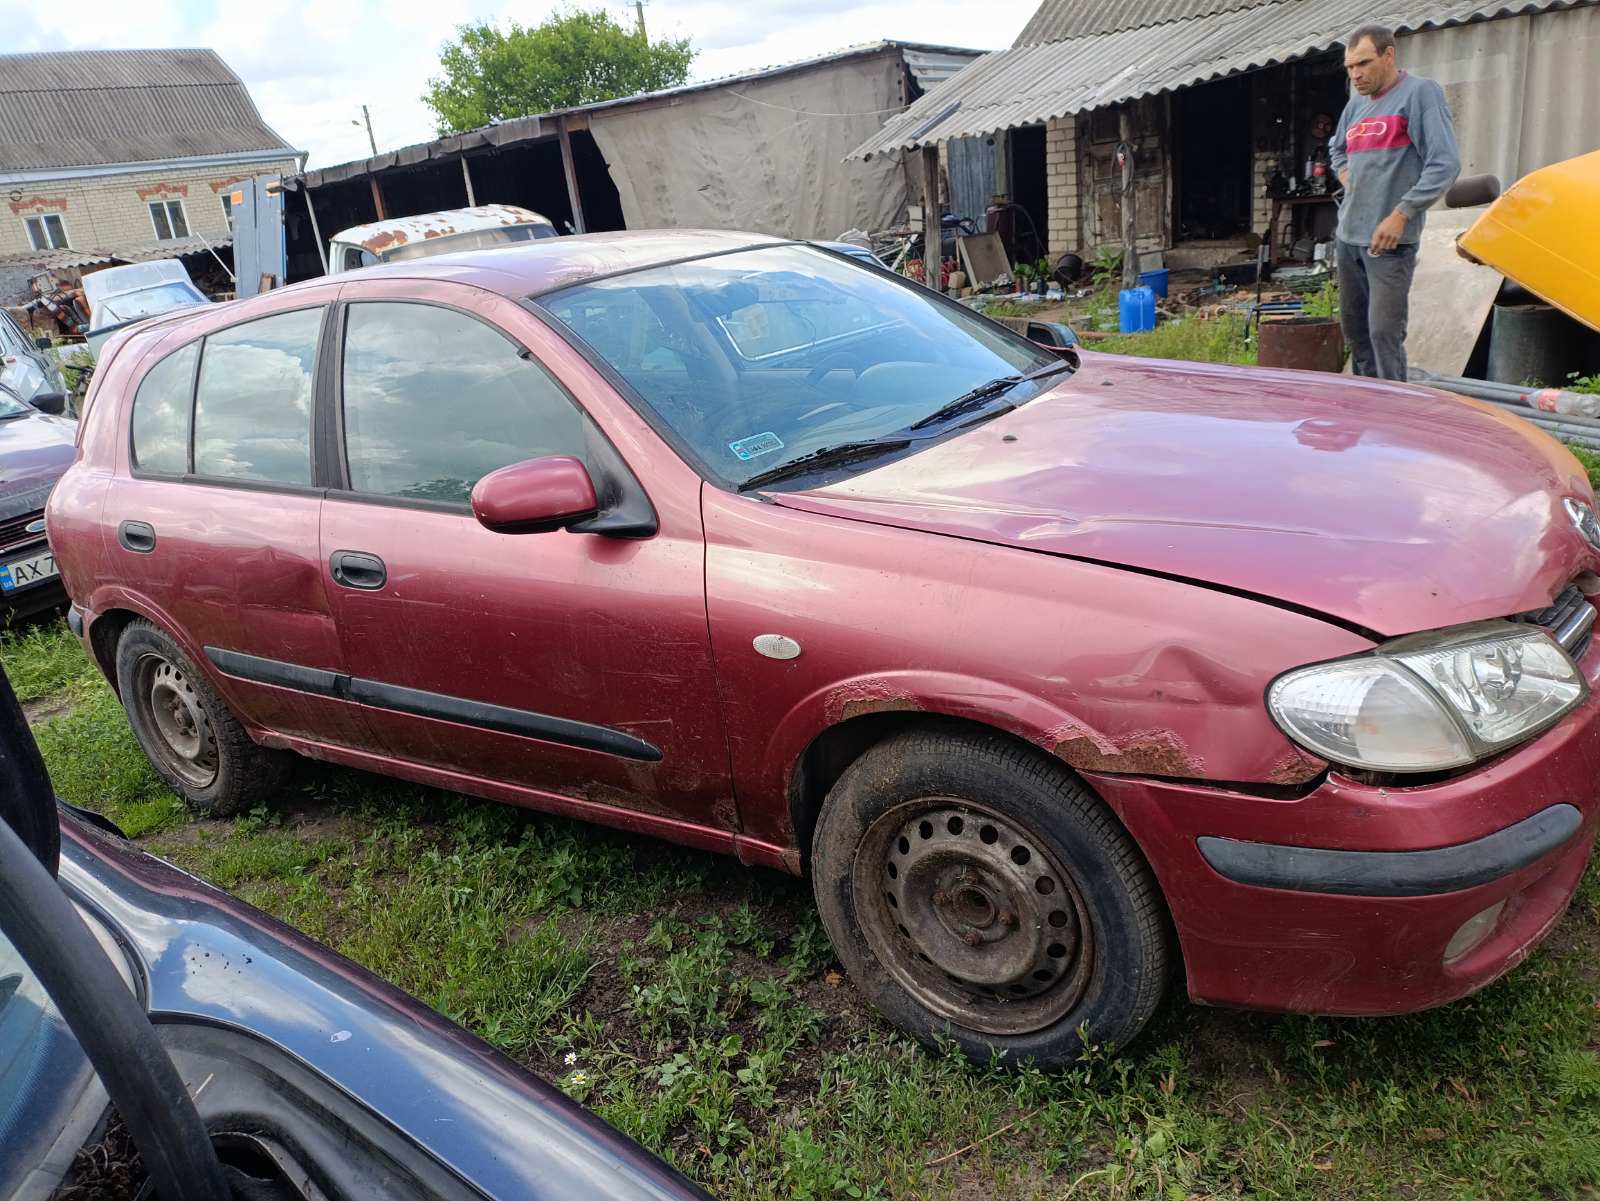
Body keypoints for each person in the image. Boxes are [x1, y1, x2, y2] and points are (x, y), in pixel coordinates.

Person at [1329, 24, 1460, 380]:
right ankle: (1367, 413)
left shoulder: (1420, 94)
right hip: (1349, 237)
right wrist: (1344, 173)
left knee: (1384, 335)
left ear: (1389, 55)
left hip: (1389, 243)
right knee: (1357, 337)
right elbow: (1336, 148)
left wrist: (1401, 214)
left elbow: (1444, 163)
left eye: (1364, 63)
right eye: (1350, 67)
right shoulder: (1356, 104)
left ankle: (1395, 416)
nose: (1356, 74)